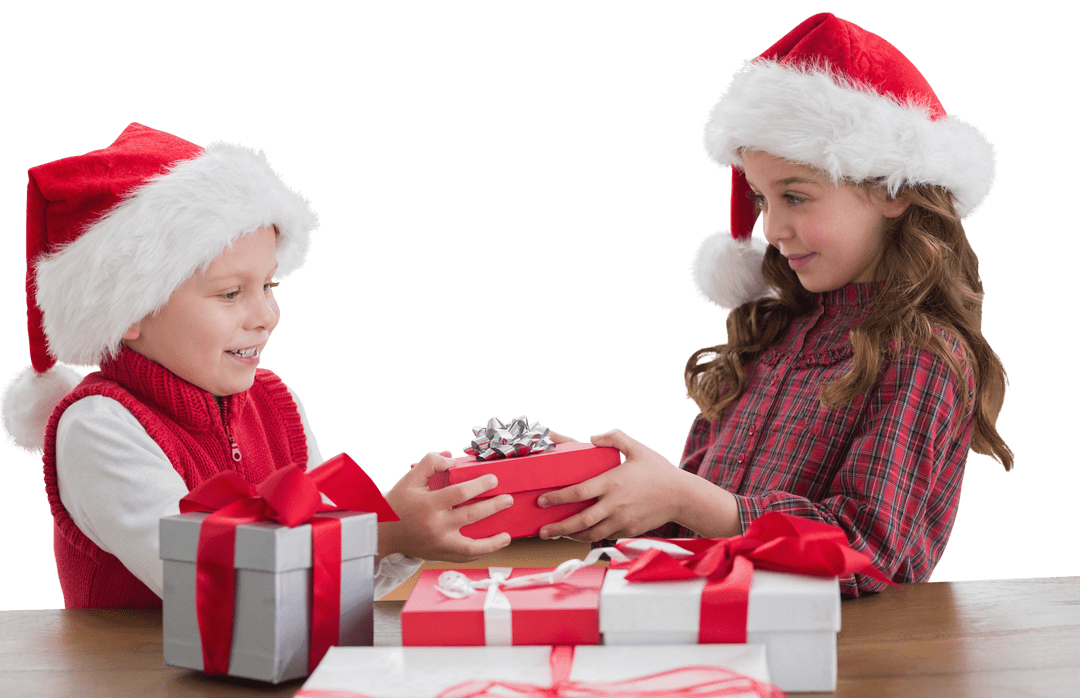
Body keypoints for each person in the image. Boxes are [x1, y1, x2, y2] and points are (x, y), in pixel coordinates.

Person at [535, 12, 1014, 596]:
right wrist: (609, 485)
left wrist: (684, 495)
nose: (776, 228)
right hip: (723, 641)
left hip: (842, 665)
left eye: (795, 196)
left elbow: (865, 553)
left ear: (891, 191)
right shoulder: (773, 332)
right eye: (762, 199)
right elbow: (699, 528)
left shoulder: (922, 355)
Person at [0, 123, 512, 608]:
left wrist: (407, 529)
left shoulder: (276, 403)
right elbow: (213, 579)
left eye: (269, 285)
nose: (267, 316)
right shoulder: (97, 427)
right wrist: (382, 533)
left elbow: (329, 583)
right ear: (130, 308)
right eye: (230, 293)